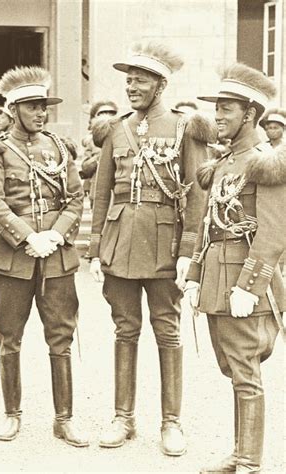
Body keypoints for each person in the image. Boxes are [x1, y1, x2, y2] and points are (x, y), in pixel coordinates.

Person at [88, 40, 215, 455]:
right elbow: (102, 191)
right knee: (125, 329)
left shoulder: (185, 128)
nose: (131, 87)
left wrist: (187, 253)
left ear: (161, 85)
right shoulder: (115, 129)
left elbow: (197, 194)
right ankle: (123, 418)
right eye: (128, 81)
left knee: (167, 330)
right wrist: (95, 248)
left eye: (140, 81)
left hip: (166, 245)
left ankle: (171, 422)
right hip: (120, 243)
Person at [0, 66, 88, 448]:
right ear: (13, 109)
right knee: (9, 337)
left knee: (61, 336)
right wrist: (27, 237)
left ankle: (64, 419)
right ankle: (12, 414)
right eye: (33, 107)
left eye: (44, 107)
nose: (41, 113)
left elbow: (74, 197)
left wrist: (55, 233)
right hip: (13, 259)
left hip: (56, 256)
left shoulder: (58, 146)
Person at [184, 62, 285, 474]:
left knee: (245, 372)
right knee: (233, 368)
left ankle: (249, 462)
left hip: (244, 281)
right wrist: (193, 275)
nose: (217, 116)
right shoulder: (226, 161)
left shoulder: (266, 161)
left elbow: (275, 232)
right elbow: (208, 224)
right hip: (217, 276)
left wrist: (251, 286)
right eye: (216, 108)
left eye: (226, 109)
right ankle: (241, 453)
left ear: (250, 114)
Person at [80, 100, 118, 208]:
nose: (107, 116)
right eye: (102, 113)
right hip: (98, 190)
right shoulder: (91, 141)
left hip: (119, 192)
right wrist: (100, 157)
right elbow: (85, 167)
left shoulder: (122, 138)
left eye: (112, 113)